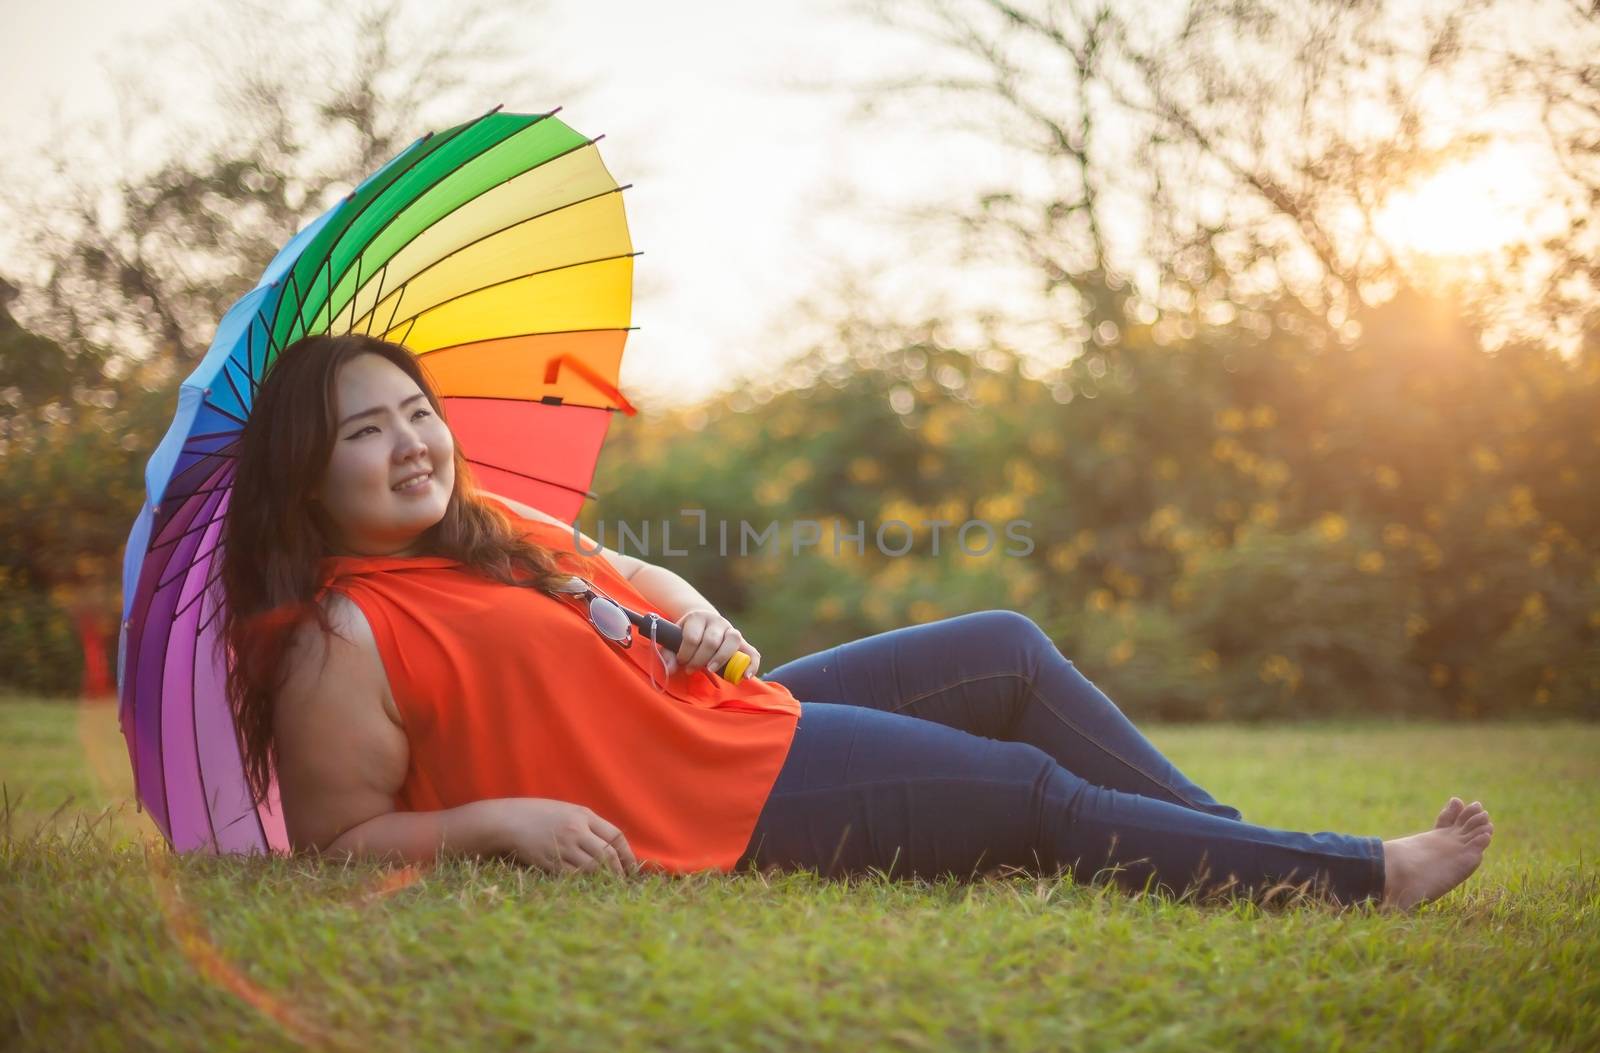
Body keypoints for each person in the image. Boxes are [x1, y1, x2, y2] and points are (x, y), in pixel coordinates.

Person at [220, 334, 1494, 910]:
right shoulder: (337, 638)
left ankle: (1234, 850)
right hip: (707, 801)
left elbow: (617, 569)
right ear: (305, 474)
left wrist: (693, 607)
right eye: (363, 429)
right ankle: (1352, 875)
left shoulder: (485, 530)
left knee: (999, 640)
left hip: (716, 719)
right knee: (1026, 789)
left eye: (416, 410)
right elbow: (337, 834)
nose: (410, 442)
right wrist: (499, 818)